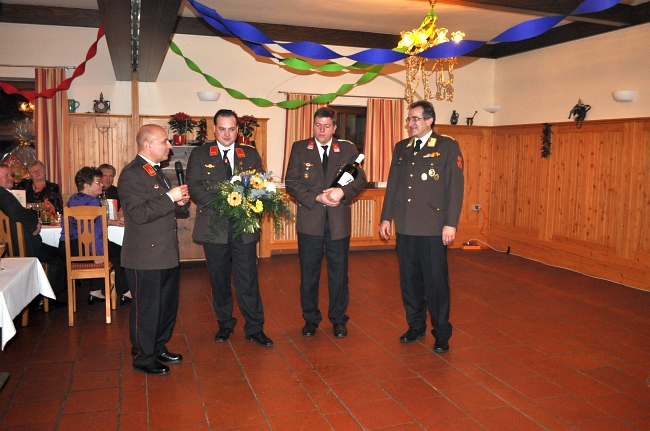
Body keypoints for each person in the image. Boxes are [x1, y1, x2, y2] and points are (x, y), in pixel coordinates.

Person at [379, 100, 464, 354]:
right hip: (406, 225)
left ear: (429, 120)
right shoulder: (402, 148)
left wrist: (451, 223)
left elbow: (455, 188)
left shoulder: (447, 146)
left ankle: (441, 332)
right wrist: (386, 217)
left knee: (435, 283)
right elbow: (393, 185)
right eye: (409, 119)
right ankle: (415, 325)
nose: (411, 123)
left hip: (432, 227)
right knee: (410, 281)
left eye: (415, 118)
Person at [186, 109, 273, 347]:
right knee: (219, 280)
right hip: (214, 226)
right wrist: (222, 202)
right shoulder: (201, 153)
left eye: (231, 129)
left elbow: (260, 184)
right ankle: (225, 324)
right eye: (222, 129)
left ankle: (255, 327)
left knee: (248, 280)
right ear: (214, 129)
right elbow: (194, 186)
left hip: (243, 227)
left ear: (237, 130)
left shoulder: (249, 153)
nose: (227, 134)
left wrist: (248, 200)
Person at [285, 107, 367, 338]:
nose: (321, 130)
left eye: (326, 126)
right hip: (310, 220)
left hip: (338, 222)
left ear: (334, 128)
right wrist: (316, 197)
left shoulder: (347, 149)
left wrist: (342, 192)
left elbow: (360, 179)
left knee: (339, 274)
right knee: (309, 273)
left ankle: (338, 319)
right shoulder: (300, 148)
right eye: (318, 125)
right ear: (313, 126)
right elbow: (291, 182)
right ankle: (310, 319)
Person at [119, 124, 190, 375]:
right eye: (164, 141)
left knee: (165, 307)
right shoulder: (131, 174)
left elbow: (162, 206)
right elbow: (139, 214)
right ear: (148, 145)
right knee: (147, 309)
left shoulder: (154, 171)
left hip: (164, 253)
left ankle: (157, 347)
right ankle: (143, 356)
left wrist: (179, 202)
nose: (169, 146)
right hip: (145, 256)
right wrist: (170, 198)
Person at [59, 167, 129, 305]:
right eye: (98, 182)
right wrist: (97, 254)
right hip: (84, 247)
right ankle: (126, 292)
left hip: (67, 248)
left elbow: (82, 223)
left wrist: (110, 221)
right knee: (122, 252)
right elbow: (95, 232)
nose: (102, 184)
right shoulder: (94, 202)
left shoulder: (72, 199)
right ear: (87, 186)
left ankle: (95, 291)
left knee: (111, 251)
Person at [0, 163, 66, 304]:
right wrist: (35, 223)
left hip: (9, 248)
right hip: (22, 246)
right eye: (6, 175)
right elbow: (17, 212)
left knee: (59, 252)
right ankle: (46, 299)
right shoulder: (3, 195)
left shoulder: (7, 194)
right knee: (59, 258)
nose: (11, 178)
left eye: (10, 174)